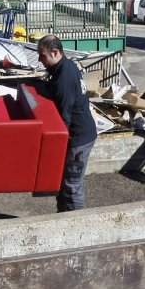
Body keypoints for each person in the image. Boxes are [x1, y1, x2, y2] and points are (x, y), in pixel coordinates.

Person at [35, 35, 97, 212]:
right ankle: (63, 219)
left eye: (43, 56)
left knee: (72, 185)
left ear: (55, 52)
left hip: (78, 138)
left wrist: (54, 146)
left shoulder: (64, 78)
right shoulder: (65, 67)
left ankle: (79, 228)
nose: (40, 60)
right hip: (80, 134)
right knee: (62, 183)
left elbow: (64, 117)